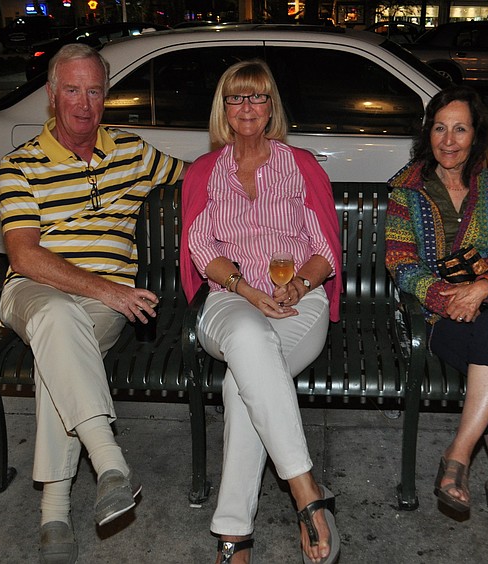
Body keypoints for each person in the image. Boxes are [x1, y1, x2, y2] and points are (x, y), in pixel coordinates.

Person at [0, 43, 185, 563]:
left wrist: (264, 161)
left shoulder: (133, 152)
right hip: (33, 290)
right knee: (56, 314)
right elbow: (24, 255)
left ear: (107, 96)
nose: (84, 103)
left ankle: (54, 512)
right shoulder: (20, 165)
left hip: (100, 306)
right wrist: (110, 290)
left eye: (95, 90)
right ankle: (110, 463)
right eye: (72, 90)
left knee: (59, 348)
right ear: (52, 96)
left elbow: (198, 178)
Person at [180, 59, 342, 564]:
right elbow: (201, 247)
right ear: (223, 110)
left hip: (299, 304)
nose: (247, 107)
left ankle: (235, 534)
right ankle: (307, 493)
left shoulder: (300, 166)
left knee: (239, 384)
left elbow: (325, 249)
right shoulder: (206, 172)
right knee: (249, 341)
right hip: (229, 300)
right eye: (236, 97)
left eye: (258, 97)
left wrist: (298, 284)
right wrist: (248, 291)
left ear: (272, 106)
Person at [384, 85, 488, 543]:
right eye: (440, 128)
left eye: (460, 128)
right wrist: (446, 298)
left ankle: (458, 455)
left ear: (477, 136)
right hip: (432, 321)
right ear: (428, 134)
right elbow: (402, 264)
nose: (449, 139)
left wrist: (480, 288)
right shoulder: (406, 191)